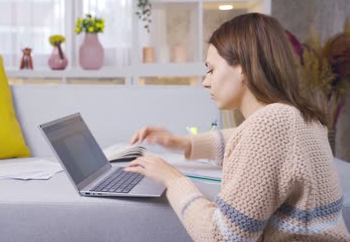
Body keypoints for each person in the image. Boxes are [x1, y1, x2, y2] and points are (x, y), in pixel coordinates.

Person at [124, 13, 350, 241]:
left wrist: (171, 179)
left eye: (211, 69)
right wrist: (183, 143)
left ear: (242, 66)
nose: (206, 81)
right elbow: (243, 142)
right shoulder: (300, 118)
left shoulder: (272, 124)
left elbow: (221, 237)